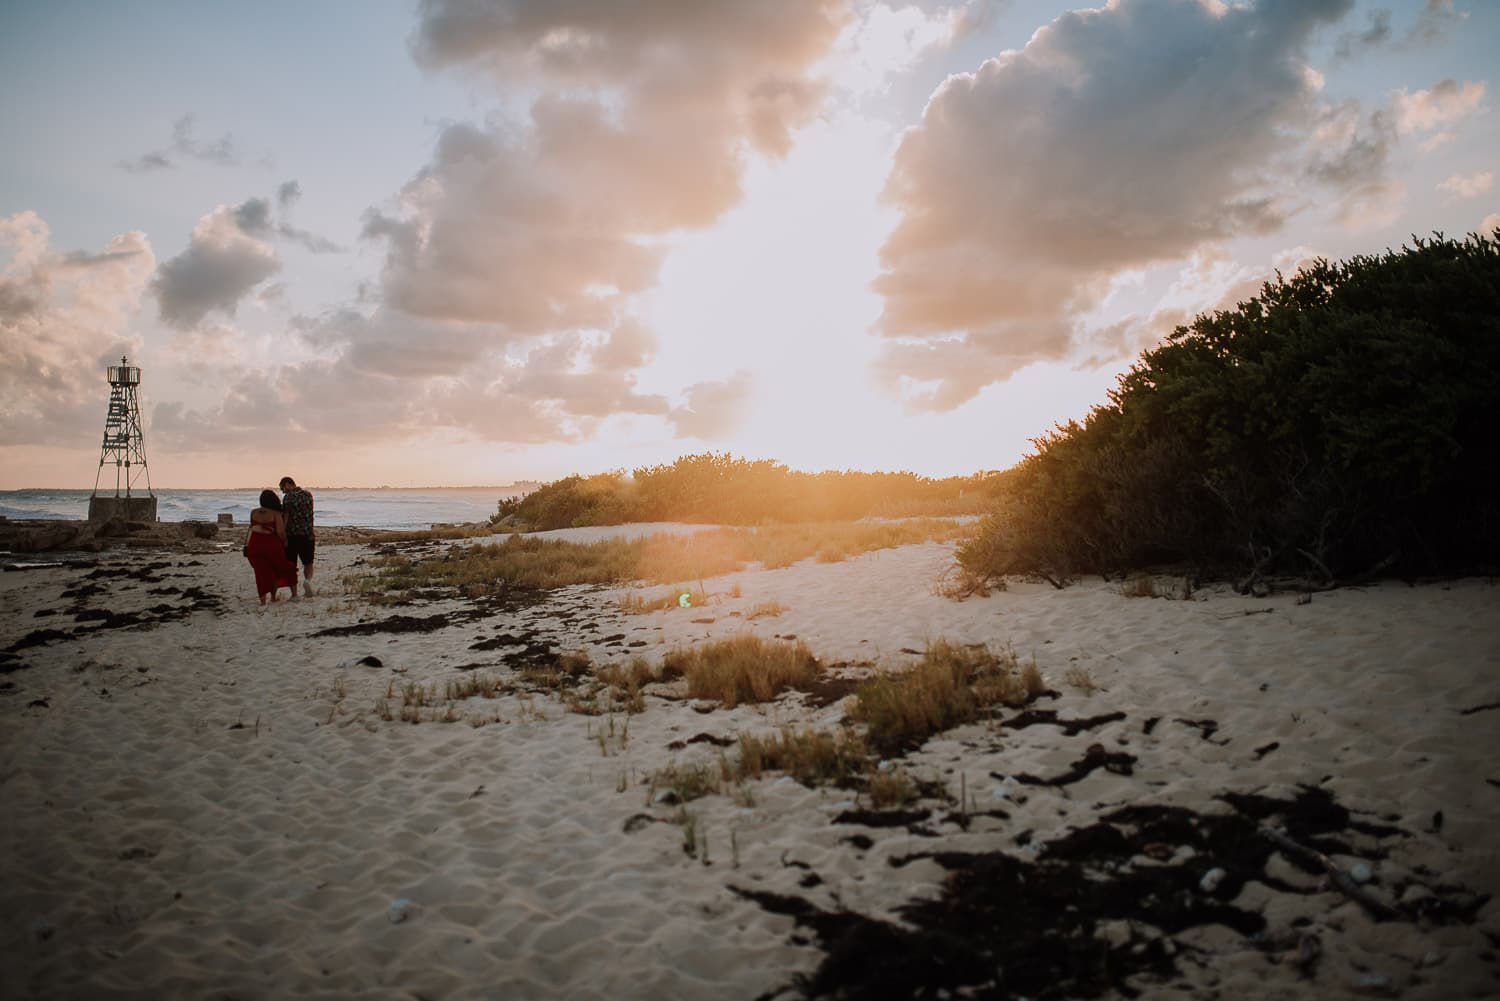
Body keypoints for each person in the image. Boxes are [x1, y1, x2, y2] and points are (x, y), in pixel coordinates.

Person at [245, 489, 298, 604]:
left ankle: (263, 601)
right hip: (271, 545)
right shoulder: (275, 513)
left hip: (254, 545)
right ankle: (292, 595)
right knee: (285, 568)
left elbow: (252, 528)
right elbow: (280, 532)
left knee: (261, 573)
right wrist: (285, 541)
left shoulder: (253, 512)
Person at [280, 476, 317, 596]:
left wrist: (283, 534)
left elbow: (285, 517)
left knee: (291, 565)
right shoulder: (308, 495)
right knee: (308, 562)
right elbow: (310, 515)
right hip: (306, 534)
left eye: (283, 488)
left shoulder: (288, 498)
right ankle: (307, 580)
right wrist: (311, 530)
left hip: (291, 535)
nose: (283, 491)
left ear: (287, 484)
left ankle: (294, 594)